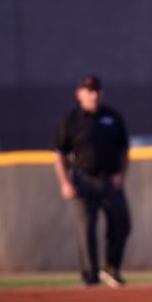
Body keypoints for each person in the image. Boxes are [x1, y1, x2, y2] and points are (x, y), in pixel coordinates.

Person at [53, 75, 132, 287]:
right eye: (89, 90)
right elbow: (59, 155)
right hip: (83, 181)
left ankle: (111, 268)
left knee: (122, 224)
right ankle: (90, 277)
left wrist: (121, 176)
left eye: (97, 90)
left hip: (110, 181)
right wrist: (65, 183)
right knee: (86, 229)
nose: (94, 94)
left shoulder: (113, 118)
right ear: (79, 94)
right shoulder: (70, 119)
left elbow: (124, 151)